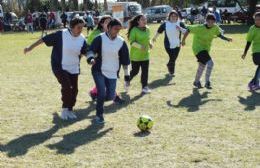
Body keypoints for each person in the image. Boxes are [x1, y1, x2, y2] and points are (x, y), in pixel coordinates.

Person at [24, 18, 88, 120]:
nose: (81, 29)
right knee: (67, 86)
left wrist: (92, 57)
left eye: (82, 27)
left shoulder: (82, 38)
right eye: (78, 27)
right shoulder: (61, 34)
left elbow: (85, 51)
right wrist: (30, 47)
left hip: (74, 67)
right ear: (72, 27)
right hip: (59, 66)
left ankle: (70, 110)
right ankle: (64, 110)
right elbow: (44, 39)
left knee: (74, 90)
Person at [87, 18, 130, 124]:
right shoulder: (99, 38)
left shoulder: (121, 42)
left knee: (111, 96)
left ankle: (96, 97)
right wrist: (91, 59)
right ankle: (99, 116)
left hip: (112, 72)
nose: (117, 32)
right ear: (109, 28)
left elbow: (125, 61)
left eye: (119, 30)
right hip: (98, 70)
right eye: (115, 29)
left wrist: (127, 76)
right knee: (101, 93)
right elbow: (91, 51)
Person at [182, 13, 232, 89]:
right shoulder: (199, 27)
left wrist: (227, 39)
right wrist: (183, 40)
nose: (211, 23)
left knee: (202, 65)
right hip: (198, 49)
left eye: (213, 22)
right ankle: (207, 82)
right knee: (210, 63)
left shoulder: (215, 27)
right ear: (206, 21)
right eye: (209, 21)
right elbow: (188, 29)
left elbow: (219, 35)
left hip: (206, 49)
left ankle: (196, 82)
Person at [153, 10, 187, 76]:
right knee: (172, 57)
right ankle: (171, 72)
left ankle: (169, 65)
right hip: (168, 44)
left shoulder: (180, 23)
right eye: (172, 16)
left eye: (175, 16)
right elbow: (159, 31)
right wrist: (154, 38)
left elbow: (186, 32)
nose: (173, 17)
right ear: (169, 16)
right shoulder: (165, 24)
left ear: (177, 17)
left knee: (174, 58)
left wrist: (180, 28)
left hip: (177, 44)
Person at [127, 14, 153, 94]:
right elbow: (132, 42)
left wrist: (150, 43)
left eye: (145, 19)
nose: (145, 21)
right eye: (142, 19)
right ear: (138, 21)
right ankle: (127, 80)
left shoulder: (148, 29)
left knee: (145, 71)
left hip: (145, 55)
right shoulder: (134, 30)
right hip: (136, 56)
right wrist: (140, 46)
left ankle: (144, 87)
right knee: (135, 71)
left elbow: (148, 38)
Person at [242, 12, 260, 91]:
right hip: (256, 52)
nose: (257, 21)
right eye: (256, 19)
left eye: (259, 19)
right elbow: (248, 42)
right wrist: (245, 53)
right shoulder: (252, 29)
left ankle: (253, 83)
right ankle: (255, 83)